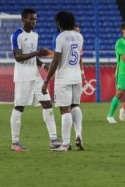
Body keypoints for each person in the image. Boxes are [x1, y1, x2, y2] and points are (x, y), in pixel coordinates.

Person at [10, 8, 61, 152]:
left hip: (36, 77)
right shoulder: (16, 36)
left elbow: (32, 56)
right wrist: (38, 52)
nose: (34, 21)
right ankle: (15, 142)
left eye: (35, 19)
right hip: (22, 78)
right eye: (31, 19)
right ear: (24, 19)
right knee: (19, 107)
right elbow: (18, 57)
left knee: (48, 104)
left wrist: (43, 65)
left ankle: (53, 140)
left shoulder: (35, 35)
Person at [42, 11, 85, 151]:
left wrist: (46, 80)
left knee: (64, 110)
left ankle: (66, 144)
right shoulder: (79, 36)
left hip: (64, 78)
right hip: (76, 77)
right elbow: (76, 56)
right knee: (76, 106)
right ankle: (78, 134)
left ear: (59, 23)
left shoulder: (60, 37)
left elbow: (56, 61)